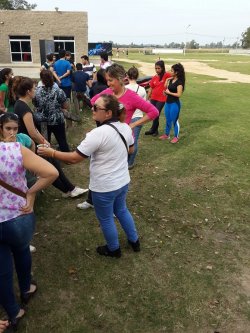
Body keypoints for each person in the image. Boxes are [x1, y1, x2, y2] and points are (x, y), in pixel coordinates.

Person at [38, 94, 140, 258]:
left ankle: (113, 249)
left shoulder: (97, 134)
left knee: (106, 218)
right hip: (122, 181)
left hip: (105, 186)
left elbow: (74, 158)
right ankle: (134, 241)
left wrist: (52, 152)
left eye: (96, 108)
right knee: (121, 210)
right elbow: (131, 150)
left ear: (108, 113)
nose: (92, 109)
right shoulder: (125, 127)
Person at [78, 63, 159, 210]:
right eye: (107, 80)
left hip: (120, 142)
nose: (108, 84)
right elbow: (92, 101)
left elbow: (153, 112)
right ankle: (91, 200)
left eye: (111, 80)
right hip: (103, 139)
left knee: (117, 173)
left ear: (121, 79)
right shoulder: (107, 93)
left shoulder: (132, 96)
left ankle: (117, 206)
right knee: (96, 169)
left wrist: (132, 125)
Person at [0, 129, 58, 330]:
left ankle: (12, 311)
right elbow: (51, 173)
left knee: (2, 270)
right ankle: (26, 288)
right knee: (22, 250)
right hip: (17, 216)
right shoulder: (14, 149)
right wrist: (29, 192)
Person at [13, 76, 87, 198]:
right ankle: (69, 190)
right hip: (30, 144)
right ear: (28, 92)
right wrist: (44, 141)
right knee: (50, 169)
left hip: (29, 143)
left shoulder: (19, 104)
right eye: (34, 88)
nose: (36, 90)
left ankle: (69, 190)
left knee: (53, 164)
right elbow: (32, 131)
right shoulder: (24, 108)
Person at [33, 69, 70, 152]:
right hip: (57, 119)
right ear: (52, 78)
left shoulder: (37, 92)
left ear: (42, 80)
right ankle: (66, 157)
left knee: (45, 141)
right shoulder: (58, 91)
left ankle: (47, 159)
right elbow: (65, 106)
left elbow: (35, 105)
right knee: (62, 140)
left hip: (43, 120)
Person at [125, 66, 147, 169]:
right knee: (134, 141)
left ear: (127, 76)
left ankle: (125, 161)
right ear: (137, 76)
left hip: (126, 118)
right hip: (138, 117)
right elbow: (145, 104)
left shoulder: (125, 89)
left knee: (124, 141)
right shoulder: (142, 89)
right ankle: (130, 163)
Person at [145, 60, 172, 136]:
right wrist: (148, 98)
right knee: (154, 114)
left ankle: (153, 130)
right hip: (153, 98)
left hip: (162, 99)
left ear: (162, 68)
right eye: (156, 68)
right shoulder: (154, 77)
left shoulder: (167, 75)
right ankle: (154, 130)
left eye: (158, 68)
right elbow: (151, 88)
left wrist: (167, 81)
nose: (157, 70)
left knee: (156, 113)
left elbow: (174, 76)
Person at [160, 63, 186, 144]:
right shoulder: (171, 80)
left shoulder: (179, 83)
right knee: (168, 119)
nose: (170, 72)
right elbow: (167, 89)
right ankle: (167, 135)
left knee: (175, 120)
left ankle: (176, 137)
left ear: (176, 72)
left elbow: (179, 94)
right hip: (168, 103)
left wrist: (169, 93)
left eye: (171, 70)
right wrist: (166, 92)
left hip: (175, 104)